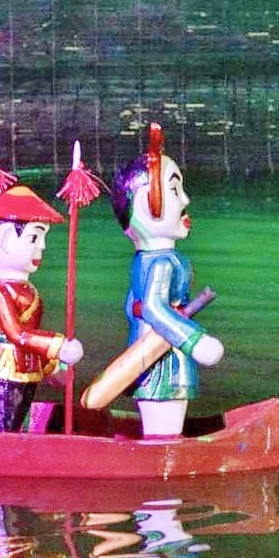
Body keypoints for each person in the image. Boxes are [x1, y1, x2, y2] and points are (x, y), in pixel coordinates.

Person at [108, 125, 224, 438]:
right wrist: (195, 340)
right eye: (174, 190)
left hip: (157, 351)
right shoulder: (160, 262)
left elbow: (133, 306)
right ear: (145, 205)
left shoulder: (147, 261)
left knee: (166, 421)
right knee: (164, 429)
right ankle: (162, 453)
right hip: (161, 359)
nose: (186, 199)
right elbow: (152, 308)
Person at [0, 185, 82, 432]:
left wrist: (51, 367)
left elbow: (31, 335)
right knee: (2, 426)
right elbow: (16, 333)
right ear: (5, 240)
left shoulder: (29, 290)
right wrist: (57, 346)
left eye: (43, 238)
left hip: (27, 369)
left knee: (15, 423)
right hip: (1, 368)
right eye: (34, 238)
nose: (42, 247)